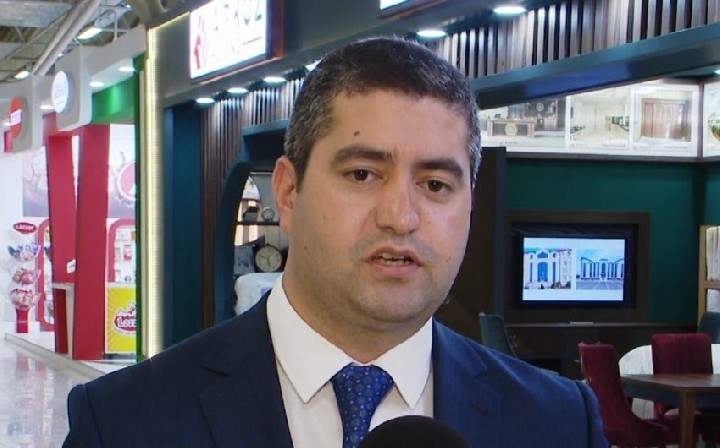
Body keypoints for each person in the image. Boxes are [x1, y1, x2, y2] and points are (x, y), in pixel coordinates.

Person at [63, 36, 607, 448]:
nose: (401, 217)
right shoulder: (123, 422)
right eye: (362, 175)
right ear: (288, 192)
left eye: (436, 185)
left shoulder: (558, 422)